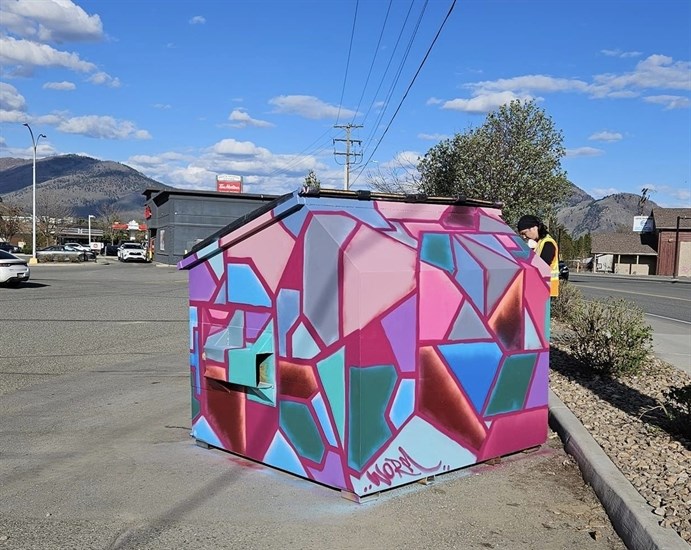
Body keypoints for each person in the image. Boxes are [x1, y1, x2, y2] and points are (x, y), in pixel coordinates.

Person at [517, 214, 559, 297]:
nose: (524, 237)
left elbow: (542, 267)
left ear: (534, 228)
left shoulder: (548, 243)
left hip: (546, 290)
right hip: (542, 289)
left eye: (524, 233)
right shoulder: (540, 243)